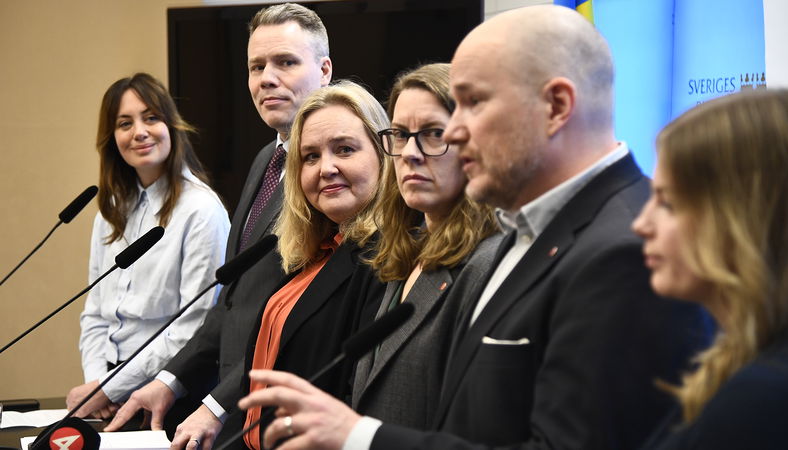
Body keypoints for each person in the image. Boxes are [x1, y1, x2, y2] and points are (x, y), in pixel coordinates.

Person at [237, 5, 710, 450]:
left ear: (557, 105)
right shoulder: (530, 231)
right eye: (402, 135)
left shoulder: (629, 249)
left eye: (474, 103)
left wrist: (363, 437)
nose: (458, 132)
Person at [104, 2, 333, 445]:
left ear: (324, 70)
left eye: (285, 62)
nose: (267, 78)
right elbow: (231, 301)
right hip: (234, 408)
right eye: (256, 66)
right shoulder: (267, 160)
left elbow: (296, 324)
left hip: (284, 416)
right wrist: (169, 380)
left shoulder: (331, 177)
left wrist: (215, 404)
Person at [632, 89, 788, 449]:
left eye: (668, 203)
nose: (641, 225)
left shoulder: (765, 400)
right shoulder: (750, 367)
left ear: (745, 218)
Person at [66, 72, 230, 419]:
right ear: (112, 138)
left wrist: (107, 388)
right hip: (107, 397)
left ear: (171, 125)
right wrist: (97, 384)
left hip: (169, 394)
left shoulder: (201, 211)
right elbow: (95, 311)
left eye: (151, 117)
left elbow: (194, 326)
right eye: (125, 123)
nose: (139, 131)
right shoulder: (110, 210)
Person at [235, 80, 387, 450]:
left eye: (345, 149)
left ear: (384, 154)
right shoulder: (313, 252)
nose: (326, 168)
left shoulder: (385, 259)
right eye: (311, 157)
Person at [352, 63, 500, 428]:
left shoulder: (488, 264)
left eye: (434, 133)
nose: (410, 153)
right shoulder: (405, 251)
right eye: (400, 135)